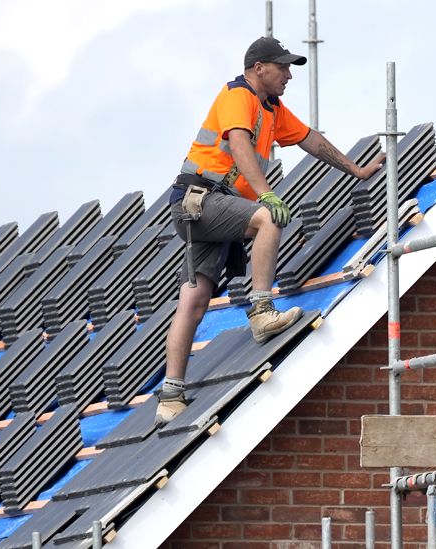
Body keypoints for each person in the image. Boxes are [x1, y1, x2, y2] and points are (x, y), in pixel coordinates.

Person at [156, 37, 385, 425]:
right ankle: (262, 312)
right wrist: (265, 195)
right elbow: (240, 145)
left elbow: (312, 140)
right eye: (283, 67)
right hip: (200, 199)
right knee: (267, 218)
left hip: (210, 208)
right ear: (258, 68)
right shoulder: (237, 95)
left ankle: (170, 397)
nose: (289, 75)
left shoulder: (272, 109)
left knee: (194, 299)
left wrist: (357, 171)